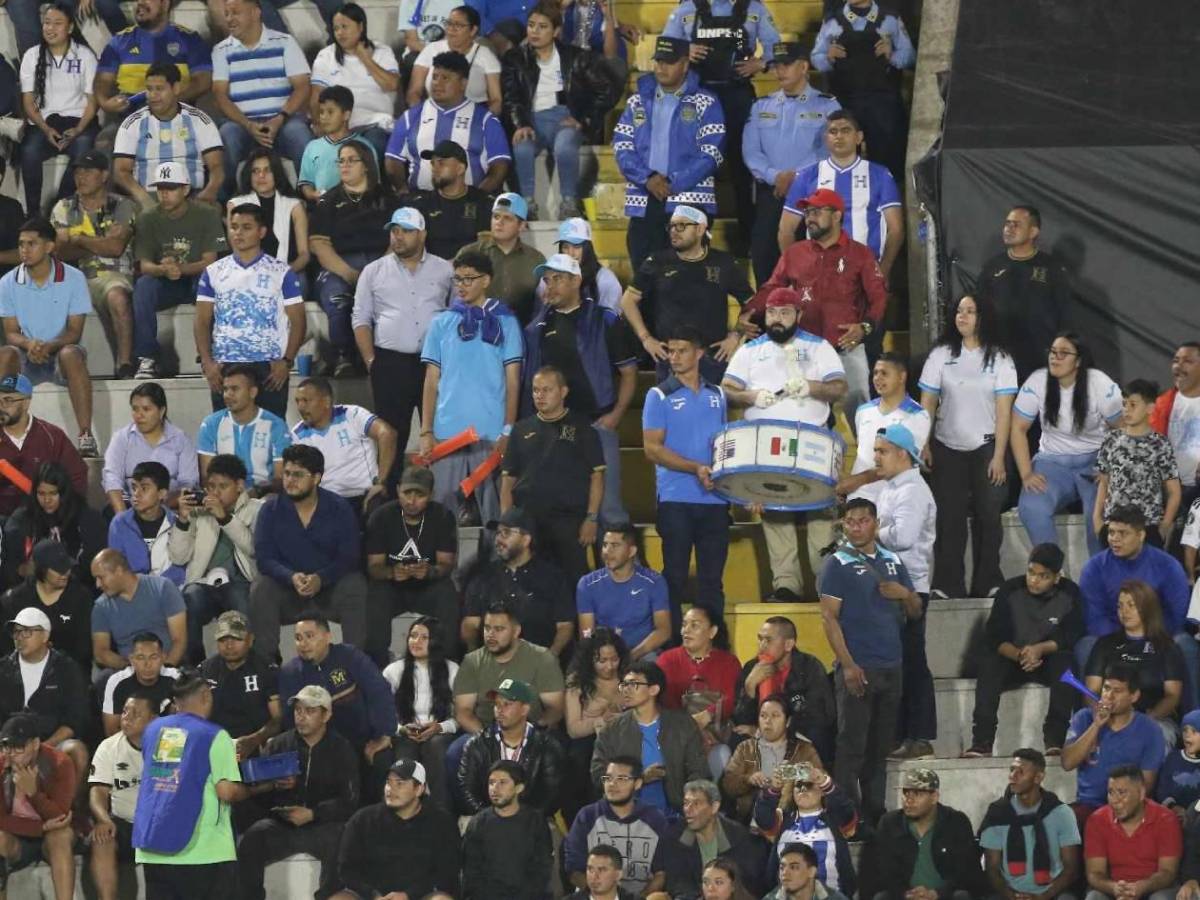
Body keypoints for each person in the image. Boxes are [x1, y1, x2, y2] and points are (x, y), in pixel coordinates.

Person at [721, 287, 846, 601]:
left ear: (798, 315)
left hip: (811, 441)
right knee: (775, 511)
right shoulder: (750, 350)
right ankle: (786, 585)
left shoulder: (818, 347)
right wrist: (750, 396)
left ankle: (826, 584)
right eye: (772, 313)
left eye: (785, 313)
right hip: (767, 444)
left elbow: (839, 387)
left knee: (820, 512)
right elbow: (726, 389)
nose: (777, 319)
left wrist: (811, 387)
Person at [742, 188, 889, 422]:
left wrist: (865, 327)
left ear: (837, 215)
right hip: (804, 350)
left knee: (862, 417)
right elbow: (772, 288)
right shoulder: (795, 253)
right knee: (806, 413)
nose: (809, 217)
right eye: (808, 212)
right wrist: (748, 312)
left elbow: (879, 297)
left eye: (817, 211)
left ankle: (868, 457)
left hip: (846, 347)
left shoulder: (860, 254)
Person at [818, 497, 921, 822]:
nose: (856, 527)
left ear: (875, 524)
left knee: (880, 748)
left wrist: (905, 595)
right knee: (851, 747)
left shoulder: (892, 560)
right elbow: (829, 618)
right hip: (858, 666)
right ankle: (846, 817)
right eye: (850, 521)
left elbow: (916, 610)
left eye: (863, 520)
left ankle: (875, 815)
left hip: (892, 666)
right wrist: (847, 664)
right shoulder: (837, 563)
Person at [522, 253, 637, 530]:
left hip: (597, 424)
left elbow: (629, 373)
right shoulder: (536, 328)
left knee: (609, 510)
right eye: (547, 280)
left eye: (558, 279)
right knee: (559, 509)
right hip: (554, 430)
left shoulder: (605, 319)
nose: (550, 286)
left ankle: (614, 572)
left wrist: (615, 415)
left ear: (576, 280)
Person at [917, 293, 1018, 597]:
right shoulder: (941, 355)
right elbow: (928, 403)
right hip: (947, 447)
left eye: (970, 311)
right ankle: (948, 584)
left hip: (987, 447)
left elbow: (1004, 412)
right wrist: (924, 442)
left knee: (989, 516)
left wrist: (999, 456)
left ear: (983, 316)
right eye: (959, 311)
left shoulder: (1000, 358)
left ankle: (989, 581)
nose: (962, 316)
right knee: (949, 517)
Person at [420, 247, 523, 524]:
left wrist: (508, 429)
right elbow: (431, 380)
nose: (462, 286)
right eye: (458, 279)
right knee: (441, 516)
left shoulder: (507, 322)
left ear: (486, 280)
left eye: (469, 279)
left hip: (490, 433)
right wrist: (426, 430)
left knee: (494, 517)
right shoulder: (441, 322)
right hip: (447, 434)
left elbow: (513, 380)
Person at [662, 0, 779, 246]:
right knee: (696, 167)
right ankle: (693, 238)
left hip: (737, 95)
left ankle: (749, 238)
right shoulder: (687, 9)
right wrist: (685, 50)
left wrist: (762, 63)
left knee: (744, 169)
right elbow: (665, 48)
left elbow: (777, 48)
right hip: (697, 98)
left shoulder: (754, 9)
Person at [642, 326, 731, 631]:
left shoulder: (718, 395)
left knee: (712, 580)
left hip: (716, 500)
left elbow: (724, 446)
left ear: (699, 353)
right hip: (675, 500)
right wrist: (696, 468)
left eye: (681, 351)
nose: (674, 357)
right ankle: (674, 648)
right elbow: (652, 449)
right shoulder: (658, 395)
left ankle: (714, 646)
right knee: (675, 577)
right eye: (670, 351)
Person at [352, 205, 454, 467]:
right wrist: (371, 361)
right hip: (389, 363)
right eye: (394, 230)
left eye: (406, 231)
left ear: (422, 234)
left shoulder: (445, 270)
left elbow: (455, 316)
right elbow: (361, 318)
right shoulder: (373, 271)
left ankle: (442, 496)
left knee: (441, 434)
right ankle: (388, 498)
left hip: (435, 363)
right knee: (391, 437)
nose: (398, 236)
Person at [612, 36, 725, 270]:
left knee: (685, 279)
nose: (661, 67)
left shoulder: (706, 102)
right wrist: (648, 178)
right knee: (644, 277)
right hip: (646, 198)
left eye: (669, 62)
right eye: (658, 61)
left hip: (690, 201)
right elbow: (622, 146)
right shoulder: (637, 102)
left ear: (685, 64)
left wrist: (674, 183)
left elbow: (712, 152)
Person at [131, 671, 249, 897]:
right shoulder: (214, 735)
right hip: (202, 850)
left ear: (176, 701)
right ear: (206, 695)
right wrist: (254, 788)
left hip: (152, 845)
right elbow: (226, 791)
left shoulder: (153, 730)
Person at [237, 684, 358, 900]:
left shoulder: (341, 749)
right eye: (298, 711)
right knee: (253, 838)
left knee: (342, 838)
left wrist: (313, 813)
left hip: (322, 827)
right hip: (282, 826)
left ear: (326, 715)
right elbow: (256, 792)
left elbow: (349, 800)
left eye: (310, 711)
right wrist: (273, 786)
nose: (301, 717)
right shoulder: (280, 744)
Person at [963, 543, 1083, 757]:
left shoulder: (1070, 593)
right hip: (1014, 657)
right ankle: (982, 741)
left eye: (1043, 576)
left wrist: (1039, 649)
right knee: (990, 665)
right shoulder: (1009, 590)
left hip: (1049, 657)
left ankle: (1055, 739)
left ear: (1056, 578)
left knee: (1066, 666)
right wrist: (1021, 654)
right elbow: (995, 636)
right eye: (1031, 572)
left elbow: (1072, 634)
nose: (1034, 580)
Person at [502, 2, 620, 219]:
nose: (534, 31)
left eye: (542, 27)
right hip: (531, 119)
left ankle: (569, 202)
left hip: (563, 117)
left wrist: (583, 119)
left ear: (556, 31)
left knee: (565, 146)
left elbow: (607, 89)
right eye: (531, 25)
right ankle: (527, 204)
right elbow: (511, 97)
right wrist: (520, 124)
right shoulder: (514, 58)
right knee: (522, 148)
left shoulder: (576, 57)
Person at [250, 444, 369, 659]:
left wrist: (321, 579)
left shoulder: (339, 508)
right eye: (286, 473)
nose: (290, 480)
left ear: (316, 478)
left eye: (298, 475)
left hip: (329, 591)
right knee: (261, 587)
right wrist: (290, 576)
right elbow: (264, 558)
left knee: (355, 584)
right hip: (288, 591)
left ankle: (355, 662)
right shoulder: (270, 509)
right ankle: (266, 664)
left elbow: (349, 557)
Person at [1012, 332, 1123, 558]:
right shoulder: (1038, 381)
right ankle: (1052, 572)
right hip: (1052, 462)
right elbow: (1018, 428)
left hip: (1095, 462)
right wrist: (1026, 474)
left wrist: (1111, 469)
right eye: (1053, 352)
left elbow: (1122, 429)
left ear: (1079, 361)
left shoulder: (1099, 383)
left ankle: (1098, 575)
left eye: (1064, 353)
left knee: (1099, 515)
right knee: (1032, 507)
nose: (1056, 358)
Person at [195, 205, 307, 419]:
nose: (238, 233)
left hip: (269, 369)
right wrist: (208, 363)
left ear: (262, 232)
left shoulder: (282, 272)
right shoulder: (213, 272)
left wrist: (286, 361)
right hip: (225, 366)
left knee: (271, 434)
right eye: (234, 227)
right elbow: (201, 320)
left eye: (246, 227)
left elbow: (299, 321)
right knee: (226, 435)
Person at [743, 42, 840, 286]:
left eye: (786, 65)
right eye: (776, 66)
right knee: (765, 258)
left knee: (811, 262)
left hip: (811, 195)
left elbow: (830, 149)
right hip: (772, 193)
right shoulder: (760, 106)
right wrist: (775, 176)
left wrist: (796, 176)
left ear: (804, 66)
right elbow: (751, 151)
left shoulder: (828, 105)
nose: (779, 71)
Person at [620, 205, 752, 382]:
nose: (674, 231)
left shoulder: (724, 263)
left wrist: (735, 335)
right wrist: (646, 338)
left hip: (712, 358)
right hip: (670, 359)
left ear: (700, 229)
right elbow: (628, 301)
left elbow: (752, 303)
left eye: (681, 226)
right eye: (672, 226)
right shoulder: (657, 261)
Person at [1076, 506, 1195, 703]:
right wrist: (1127, 638)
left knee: (1185, 645)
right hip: (1113, 638)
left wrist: (1143, 634)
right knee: (1085, 646)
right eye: (1111, 532)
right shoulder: (1094, 568)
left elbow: (1177, 614)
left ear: (1141, 535)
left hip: (1159, 635)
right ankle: (1088, 719)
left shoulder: (1168, 566)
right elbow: (1094, 617)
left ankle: (1192, 723)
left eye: (1122, 533)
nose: (1114, 538)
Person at [0, 218, 97, 454]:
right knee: (5, 354)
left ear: (49, 247)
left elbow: (75, 332)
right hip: (26, 355)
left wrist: (49, 346)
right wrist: (29, 344)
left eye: (31, 244)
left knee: (71, 354)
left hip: (60, 355)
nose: (24, 250)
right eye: (21, 244)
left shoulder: (74, 278)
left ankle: (85, 435)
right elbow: (11, 333)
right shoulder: (7, 282)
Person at [502, 365, 605, 582]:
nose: (540, 395)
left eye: (547, 390)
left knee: (572, 580)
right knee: (531, 581)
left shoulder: (582, 428)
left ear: (563, 392)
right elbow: (508, 478)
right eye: (536, 390)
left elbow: (597, 476)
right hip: (528, 520)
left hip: (568, 521)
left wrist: (592, 518)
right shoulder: (521, 430)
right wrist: (508, 521)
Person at [872, 424, 937, 761]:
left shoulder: (911, 490)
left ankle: (920, 736)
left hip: (909, 587)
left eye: (882, 451)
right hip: (895, 586)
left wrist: (872, 531)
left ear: (901, 453)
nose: (875, 457)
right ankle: (902, 734)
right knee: (900, 663)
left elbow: (903, 537)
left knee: (912, 662)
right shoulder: (892, 488)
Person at [778, 111, 904, 282]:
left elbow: (896, 229)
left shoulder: (880, 175)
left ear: (858, 137)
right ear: (825, 138)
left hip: (865, 273)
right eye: (833, 131)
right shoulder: (807, 176)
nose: (839, 136)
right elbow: (786, 229)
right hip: (819, 274)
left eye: (845, 130)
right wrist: (795, 271)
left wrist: (883, 270)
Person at [129, 161, 227, 378]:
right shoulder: (147, 218)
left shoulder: (206, 214)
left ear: (185, 189)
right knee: (143, 286)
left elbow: (210, 262)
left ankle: (208, 355)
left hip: (196, 278)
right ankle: (146, 358)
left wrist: (181, 268)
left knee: (210, 280)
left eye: (171, 188)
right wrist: (163, 270)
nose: (164, 194)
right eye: (161, 188)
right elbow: (145, 265)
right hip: (166, 280)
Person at [276, 614, 397, 787]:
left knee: (382, 760)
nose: (303, 644)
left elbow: (379, 692)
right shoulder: (290, 673)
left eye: (309, 636)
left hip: (361, 740)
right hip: (319, 745)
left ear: (327, 637)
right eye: (298, 638)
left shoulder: (350, 656)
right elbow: (289, 720)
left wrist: (385, 734)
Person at [212, 0, 313, 200]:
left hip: (283, 120)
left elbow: (303, 87)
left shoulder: (285, 42)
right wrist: (248, 125)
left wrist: (280, 118)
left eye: (235, 13)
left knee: (300, 136)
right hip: (241, 123)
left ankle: (310, 201)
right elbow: (220, 96)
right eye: (227, 13)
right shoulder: (221, 50)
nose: (229, 19)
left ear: (256, 13)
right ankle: (221, 203)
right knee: (227, 136)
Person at [49, 150, 137, 378]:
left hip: (115, 274)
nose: (81, 177)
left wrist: (77, 239)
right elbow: (59, 252)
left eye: (88, 171)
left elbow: (116, 248)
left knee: (117, 296)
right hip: (75, 276)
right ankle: (54, 366)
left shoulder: (123, 206)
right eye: (78, 172)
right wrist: (101, 241)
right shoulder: (64, 207)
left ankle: (125, 364)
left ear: (104, 175)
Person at [310, 139, 394, 376]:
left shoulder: (388, 198)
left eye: (351, 160)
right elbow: (319, 244)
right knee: (338, 299)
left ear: (366, 164)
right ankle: (343, 356)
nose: (344, 165)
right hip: (340, 264)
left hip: (382, 262)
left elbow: (398, 239)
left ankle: (384, 357)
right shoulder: (328, 201)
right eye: (341, 161)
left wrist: (377, 271)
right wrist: (349, 274)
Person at [169, 454, 262, 665]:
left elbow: (254, 548)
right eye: (210, 486)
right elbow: (178, 555)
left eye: (222, 486)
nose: (215, 493)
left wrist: (225, 518)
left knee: (240, 601)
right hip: (203, 584)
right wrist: (183, 520)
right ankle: (195, 667)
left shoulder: (257, 509)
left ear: (239, 486)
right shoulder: (199, 512)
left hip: (241, 581)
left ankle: (254, 666)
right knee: (187, 601)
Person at [810, 0, 915, 181]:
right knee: (843, 162)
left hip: (882, 102)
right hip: (845, 100)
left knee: (887, 163)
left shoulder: (889, 18)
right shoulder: (832, 20)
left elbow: (910, 56)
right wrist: (828, 57)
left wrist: (892, 55)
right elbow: (816, 58)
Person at [330, 758, 462, 900]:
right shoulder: (363, 820)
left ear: (419, 789)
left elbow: (446, 872)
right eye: (388, 782)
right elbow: (346, 869)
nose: (390, 789)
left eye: (400, 783)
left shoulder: (441, 822)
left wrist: (408, 895)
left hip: (419, 896)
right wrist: (373, 894)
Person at [365, 466, 459, 663]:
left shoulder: (442, 516)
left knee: (448, 595)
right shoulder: (381, 517)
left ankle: (446, 664)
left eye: (420, 494)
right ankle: (377, 665)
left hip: (429, 586)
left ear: (431, 494)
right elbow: (374, 566)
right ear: (398, 490)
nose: (412, 500)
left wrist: (430, 571)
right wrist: (391, 572)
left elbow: (447, 564)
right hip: (391, 587)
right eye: (407, 493)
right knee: (375, 597)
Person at [385, 50, 510, 195]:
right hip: (420, 202)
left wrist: (478, 197)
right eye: (435, 77)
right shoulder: (410, 117)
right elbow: (392, 159)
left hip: (468, 206)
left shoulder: (485, 120)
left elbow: (500, 164)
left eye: (445, 78)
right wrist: (403, 191)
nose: (437, 83)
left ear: (463, 83)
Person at [591, 661, 709, 815]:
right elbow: (598, 774)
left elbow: (699, 771)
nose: (626, 690)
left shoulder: (683, 725)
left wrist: (689, 805)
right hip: (627, 815)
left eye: (633, 684)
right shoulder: (612, 730)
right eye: (624, 685)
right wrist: (639, 779)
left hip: (677, 815)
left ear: (654, 689)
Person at [18, 2, 98, 217]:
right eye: (46, 23)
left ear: (70, 27)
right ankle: (33, 214)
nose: (50, 28)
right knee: (29, 153)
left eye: (57, 23)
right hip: (44, 123)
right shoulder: (32, 55)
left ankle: (59, 209)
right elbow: (28, 101)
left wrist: (79, 129)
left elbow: (93, 102)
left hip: (79, 121)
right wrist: (45, 129)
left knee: (83, 151)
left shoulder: (85, 56)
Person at [976, 205, 1072, 382]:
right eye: (1007, 224)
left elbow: (1065, 316)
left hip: (1040, 361)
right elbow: (979, 312)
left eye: (1016, 225)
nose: (1009, 229)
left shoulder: (1052, 269)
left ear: (1033, 231)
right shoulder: (992, 267)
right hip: (1000, 359)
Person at [858, 768, 986, 900]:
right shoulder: (890, 823)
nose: (909, 800)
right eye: (906, 793)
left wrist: (937, 893)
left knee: (961, 896)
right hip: (903, 896)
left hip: (944, 896)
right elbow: (882, 870)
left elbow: (967, 871)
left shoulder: (955, 822)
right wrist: (906, 894)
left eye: (917, 794)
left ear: (934, 797)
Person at [461, 506, 575, 654]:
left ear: (526, 539)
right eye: (497, 533)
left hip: (537, 664)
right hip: (493, 665)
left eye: (506, 533)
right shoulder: (483, 576)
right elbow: (471, 623)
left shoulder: (552, 577)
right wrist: (475, 659)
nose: (498, 539)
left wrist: (550, 658)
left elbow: (565, 626)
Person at [1062, 665, 1167, 824]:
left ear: (1134, 696)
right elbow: (1067, 762)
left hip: (1129, 806)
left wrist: (1114, 808)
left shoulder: (1150, 730)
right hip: (1087, 806)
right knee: (1063, 819)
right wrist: (1096, 726)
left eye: (1117, 691)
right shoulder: (1084, 718)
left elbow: (1146, 785)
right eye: (1106, 688)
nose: (1109, 696)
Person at [1084, 581, 1185, 747]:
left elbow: (1172, 696)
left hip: (1154, 720)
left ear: (1147, 608)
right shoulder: (1105, 644)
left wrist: (1145, 721)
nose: (1125, 612)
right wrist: (1101, 715)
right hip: (1109, 719)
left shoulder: (1166, 647)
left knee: (1150, 739)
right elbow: (1091, 691)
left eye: (1131, 605)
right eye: (1120, 606)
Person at [112, 63, 224, 209]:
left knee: (214, 209)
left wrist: (209, 192)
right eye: (149, 89)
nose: (153, 95)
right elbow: (120, 171)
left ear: (176, 88)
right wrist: (144, 199)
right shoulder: (133, 123)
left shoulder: (199, 120)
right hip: (148, 195)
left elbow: (216, 166)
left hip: (191, 197)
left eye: (159, 89)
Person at [730, 617, 836, 767]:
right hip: (762, 734)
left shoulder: (809, 667)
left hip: (799, 734)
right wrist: (750, 686)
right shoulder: (752, 668)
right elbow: (740, 720)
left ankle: (805, 784)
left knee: (818, 736)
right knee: (737, 737)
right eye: (760, 639)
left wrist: (770, 731)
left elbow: (821, 715)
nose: (762, 646)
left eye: (768, 640)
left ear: (788, 644)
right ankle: (753, 785)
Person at [979, 749, 1082, 900]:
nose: (1012, 776)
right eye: (1012, 770)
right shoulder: (998, 813)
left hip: (1051, 893)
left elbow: (1071, 868)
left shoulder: (1061, 813)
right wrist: (1012, 896)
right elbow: (992, 868)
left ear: (1038, 777)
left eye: (1020, 771)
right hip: (1009, 893)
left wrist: (1043, 897)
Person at [453, 600, 566, 737]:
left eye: (499, 629)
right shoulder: (472, 662)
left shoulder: (543, 658)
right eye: (487, 628)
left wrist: (531, 734)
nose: (490, 635)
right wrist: (487, 739)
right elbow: (463, 712)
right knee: (454, 754)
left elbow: (555, 709)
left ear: (516, 631)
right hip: (483, 733)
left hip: (532, 732)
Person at [0, 608, 89, 779]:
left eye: (27, 632)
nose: (19, 637)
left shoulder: (66, 669)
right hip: (7, 744)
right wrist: (9, 749)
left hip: (50, 743)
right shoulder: (3, 669)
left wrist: (43, 746)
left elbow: (74, 720)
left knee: (76, 750)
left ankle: (67, 806)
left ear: (45, 636)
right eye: (16, 632)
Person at [654, 605, 741, 778]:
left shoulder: (728, 662)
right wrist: (691, 727)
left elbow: (732, 698)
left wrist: (707, 716)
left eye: (695, 625)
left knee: (723, 754)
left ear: (712, 631)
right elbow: (664, 701)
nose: (686, 630)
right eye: (684, 624)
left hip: (716, 733)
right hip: (677, 732)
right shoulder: (667, 660)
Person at [457, 676, 565, 813]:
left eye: (507, 704)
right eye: (496, 704)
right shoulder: (477, 744)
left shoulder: (547, 746)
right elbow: (466, 790)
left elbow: (552, 795)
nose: (499, 710)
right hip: (486, 819)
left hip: (532, 821)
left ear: (524, 709)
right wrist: (491, 817)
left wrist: (521, 820)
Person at [565, 757, 670, 897]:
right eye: (608, 778)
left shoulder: (654, 819)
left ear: (638, 783)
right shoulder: (587, 816)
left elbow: (661, 873)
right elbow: (574, 869)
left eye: (621, 779)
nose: (612, 784)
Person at [0, 713, 77, 900]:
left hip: (50, 838)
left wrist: (33, 794)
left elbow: (60, 816)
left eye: (18, 747)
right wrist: (39, 827)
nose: (11, 754)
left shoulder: (60, 763)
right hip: (18, 838)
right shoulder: (2, 764)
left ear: (35, 744)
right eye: (6, 747)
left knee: (61, 836)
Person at [1094, 379, 1181, 547]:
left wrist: (1164, 526)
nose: (1127, 410)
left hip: (1147, 527)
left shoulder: (1160, 444)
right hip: (1114, 527)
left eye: (1133, 405)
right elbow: (1103, 483)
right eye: (1124, 404)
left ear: (1150, 408)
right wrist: (1097, 519)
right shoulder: (1111, 440)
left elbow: (1174, 491)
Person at [382, 615, 458, 804]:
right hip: (404, 732)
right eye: (413, 636)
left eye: (424, 637)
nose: (416, 641)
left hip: (439, 732)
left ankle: (441, 812)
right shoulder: (393, 671)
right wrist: (401, 728)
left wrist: (440, 727)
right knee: (404, 755)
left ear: (436, 641)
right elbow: (382, 714)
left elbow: (460, 716)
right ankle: (401, 810)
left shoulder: (452, 669)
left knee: (436, 747)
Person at [94, 0, 212, 121]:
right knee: (105, 140)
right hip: (129, 118)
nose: (140, 3)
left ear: (165, 4)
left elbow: (203, 80)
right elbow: (102, 80)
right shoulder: (119, 41)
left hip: (177, 117)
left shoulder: (189, 39)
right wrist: (105, 103)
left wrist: (172, 100)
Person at [88, 693, 157, 900]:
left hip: (159, 823)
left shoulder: (168, 745)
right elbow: (97, 791)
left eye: (136, 714)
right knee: (102, 839)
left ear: (153, 719)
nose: (126, 717)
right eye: (125, 711)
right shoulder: (109, 746)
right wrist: (103, 819)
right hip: (124, 823)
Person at [310, 2, 400, 159]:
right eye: (336, 28)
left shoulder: (382, 51)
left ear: (360, 26)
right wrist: (319, 123)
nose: (339, 33)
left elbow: (392, 85)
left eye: (345, 26)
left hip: (375, 123)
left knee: (374, 145)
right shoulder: (326, 56)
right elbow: (316, 97)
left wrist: (365, 58)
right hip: (338, 126)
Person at [290, 376, 396, 510]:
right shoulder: (297, 434)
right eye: (297, 401)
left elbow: (387, 434)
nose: (300, 407)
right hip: (325, 501)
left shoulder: (351, 415)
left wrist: (380, 482)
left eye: (306, 400)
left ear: (326, 401)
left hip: (364, 496)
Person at [752, 764, 858, 897]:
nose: (803, 789)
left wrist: (826, 782)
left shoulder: (835, 820)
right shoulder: (782, 820)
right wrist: (774, 788)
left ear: (822, 790)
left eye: (809, 785)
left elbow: (846, 810)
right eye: (798, 785)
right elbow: (762, 818)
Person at [656, 780, 770, 899]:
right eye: (686, 803)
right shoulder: (674, 838)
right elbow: (678, 884)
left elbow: (749, 886)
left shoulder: (741, 839)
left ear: (714, 807)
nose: (688, 809)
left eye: (696, 803)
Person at [722, 693, 824, 823]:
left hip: (792, 820)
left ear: (788, 721)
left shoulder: (803, 749)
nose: (767, 721)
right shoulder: (745, 748)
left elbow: (820, 779)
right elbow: (728, 784)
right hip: (751, 819)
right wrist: (748, 779)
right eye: (763, 716)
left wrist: (791, 774)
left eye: (775, 716)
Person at [1083, 765, 1181, 900]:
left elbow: (1168, 872)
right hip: (1113, 890)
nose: (1115, 801)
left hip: (1154, 889)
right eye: (1111, 793)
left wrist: (1142, 887)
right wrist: (1114, 888)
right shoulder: (1097, 820)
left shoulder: (1166, 819)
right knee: (1094, 897)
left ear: (1141, 793)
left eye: (1122, 792)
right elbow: (1095, 873)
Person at [461, 759, 554, 900]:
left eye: (502, 782)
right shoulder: (478, 823)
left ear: (519, 788)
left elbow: (541, 870)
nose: (495, 788)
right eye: (491, 783)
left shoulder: (535, 822)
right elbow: (472, 873)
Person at [577, 523, 671, 662]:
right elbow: (586, 635)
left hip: (642, 653)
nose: (607, 552)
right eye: (604, 545)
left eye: (615, 545)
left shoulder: (654, 582)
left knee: (652, 665)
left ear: (632, 551)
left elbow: (663, 631)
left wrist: (631, 656)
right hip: (603, 655)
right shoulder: (587, 584)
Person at [101, 382, 200, 514]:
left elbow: (188, 483)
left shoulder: (181, 440)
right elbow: (111, 479)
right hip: (129, 508)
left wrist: (156, 509)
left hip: (170, 508)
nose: (139, 415)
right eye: (135, 409)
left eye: (146, 409)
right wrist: (123, 519)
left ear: (162, 411)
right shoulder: (121, 438)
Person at [90, 548, 187, 681]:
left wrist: (165, 673)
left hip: (169, 667)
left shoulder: (162, 588)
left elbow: (179, 640)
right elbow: (101, 653)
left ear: (118, 571)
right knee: (102, 680)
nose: (97, 584)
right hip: (129, 673)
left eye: (101, 577)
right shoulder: (101, 607)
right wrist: (134, 669)